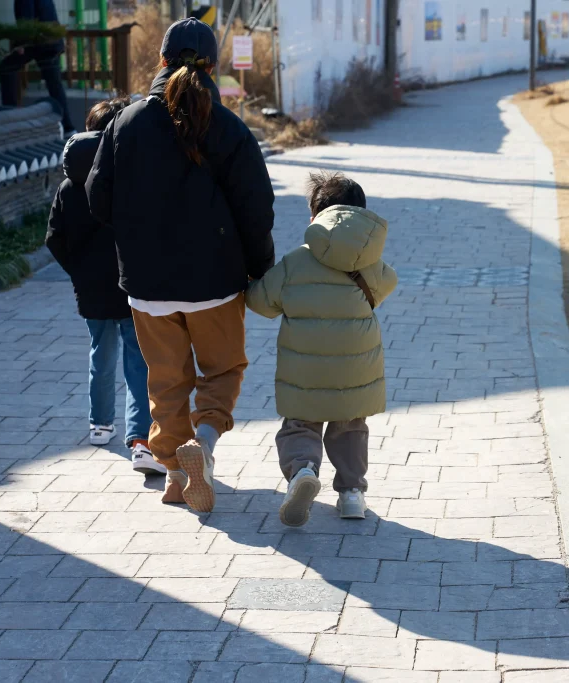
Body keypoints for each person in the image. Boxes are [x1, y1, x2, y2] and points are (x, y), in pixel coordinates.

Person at [85, 18, 275, 511]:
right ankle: (204, 445)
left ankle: (173, 474)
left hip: (147, 287)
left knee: (166, 383)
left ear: (162, 60)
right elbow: (256, 208)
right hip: (215, 284)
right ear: (212, 66)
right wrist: (259, 269)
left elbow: (97, 198)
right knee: (223, 370)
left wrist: (135, 237)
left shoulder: (124, 123)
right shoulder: (229, 128)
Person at [246, 172, 398, 527]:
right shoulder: (370, 261)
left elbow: (260, 302)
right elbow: (388, 283)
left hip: (304, 369)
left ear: (315, 216)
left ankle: (302, 472)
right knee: (350, 426)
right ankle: (351, 495)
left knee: (300, 424)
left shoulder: (296, 261)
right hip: (356, 367)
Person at [45, 97, 160, 475]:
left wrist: (77, 271)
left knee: (99, 352)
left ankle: (99, 424)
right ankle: (140, 438)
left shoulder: (67, 187)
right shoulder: (128, 180)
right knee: (137, 360)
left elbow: (54, 239)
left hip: (90, 288)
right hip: (130, 283)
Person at [0, 0, 75, 132]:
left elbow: (26, 19)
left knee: (7, 67)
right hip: (52, 42)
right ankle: (68, 127)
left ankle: (8, 116)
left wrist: (21, 44)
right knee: (55, 85)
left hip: (37, 42)